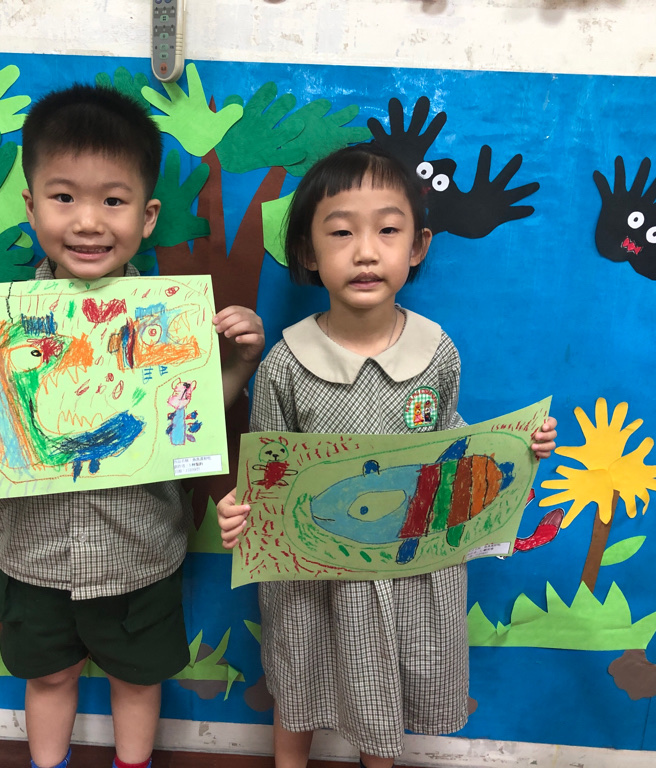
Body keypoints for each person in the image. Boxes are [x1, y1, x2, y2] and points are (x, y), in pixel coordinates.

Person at [0, 84, 264, 768]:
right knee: (47, 677)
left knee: (138, 680)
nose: (88, 222)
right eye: (64, 197)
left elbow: (190, 420)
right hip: (31, 557)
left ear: (148, 215)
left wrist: (241, 361)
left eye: (113, 200)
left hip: (139, 555)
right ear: (31, 207)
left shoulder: (170, 321)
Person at [216, 143, 557, 768]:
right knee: (300, 679)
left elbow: (454, 445)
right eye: (341, 232)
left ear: (418, 246)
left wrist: (518, 450)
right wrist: (242, 512)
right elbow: (265, 474)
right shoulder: (286, 364)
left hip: (409, 574)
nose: (366, 252)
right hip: (314, 580)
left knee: (387, 696)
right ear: (307, 253)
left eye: (388, 231)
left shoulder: (438, 351)